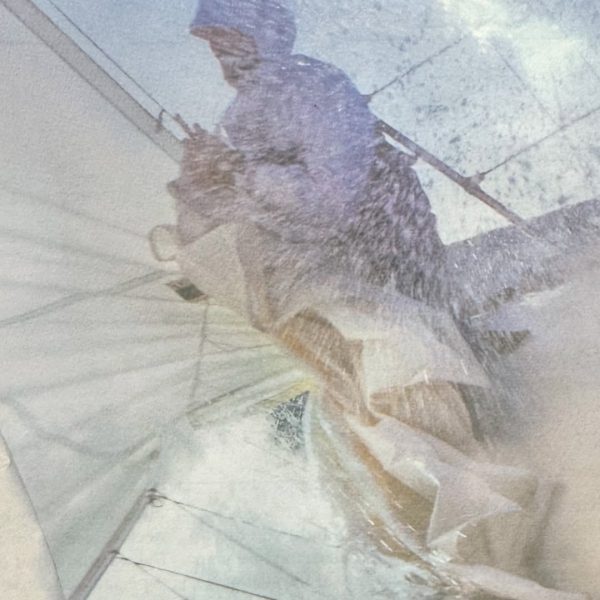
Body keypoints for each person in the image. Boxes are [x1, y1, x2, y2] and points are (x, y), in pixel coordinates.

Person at [150, 1, 586, 598]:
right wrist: (206, 182)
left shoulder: (311, 85)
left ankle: (496, 514)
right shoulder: (247, 109)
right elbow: (279, 210)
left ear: (261, 33)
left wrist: (234, 173)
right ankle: (468, 523)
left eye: (227, 38)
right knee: (390, 389)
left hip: (382, 257)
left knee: (410, 371)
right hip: (339, 276)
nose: (219, 53)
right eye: (211, 42)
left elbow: (330, 201)